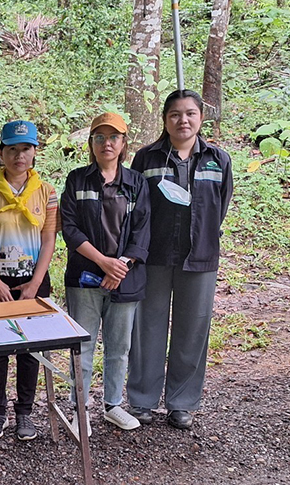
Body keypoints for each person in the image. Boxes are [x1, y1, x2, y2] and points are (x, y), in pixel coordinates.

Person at [127, 89, 233, 429]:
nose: (182, 120)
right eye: (175, 114)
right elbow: (136, 207)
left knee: (193, 330)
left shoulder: (218, 159)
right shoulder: (147, 158)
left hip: (199, 257)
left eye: (190, 113)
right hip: (154, 255)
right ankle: (142, 400)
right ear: (165, 119)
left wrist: (201, 236)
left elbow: (220, 206)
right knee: (147, 328)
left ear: (201, 118)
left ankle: (182, 403)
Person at [59, 112, 150, 435]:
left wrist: (119, 266)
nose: (106, 143)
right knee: (82, 346)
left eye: (113, 137)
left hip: (125, 277)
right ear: (91, 143)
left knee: (119, 347)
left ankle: (113, 405)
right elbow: (69, 228)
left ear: (124, 143)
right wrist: (103, 262)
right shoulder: (77, 180)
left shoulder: (137, 183)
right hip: (84, 277)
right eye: (100, 137)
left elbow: (143, 230)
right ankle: (80, 409)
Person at [0, 120, 59, 441]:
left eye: (25, 149)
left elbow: (48, 240)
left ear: (34, 153)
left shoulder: (46, 192)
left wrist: (35, 284)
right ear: (1, 153)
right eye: (12, 149)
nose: (19, 156)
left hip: (33, 282)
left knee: (29, 348)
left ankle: (25, 412)